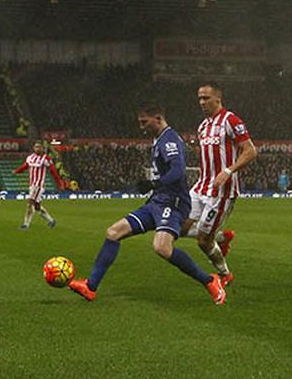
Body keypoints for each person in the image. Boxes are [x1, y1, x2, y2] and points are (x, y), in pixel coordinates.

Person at [68, 103, 225, 304]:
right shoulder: (158, 138)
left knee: (162, 248)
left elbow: (178, 171)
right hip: (157, 201)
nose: (141, 126)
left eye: (145, 122)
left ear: (158, 118)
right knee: (113, 233)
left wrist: (153, 183)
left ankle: (210, 280)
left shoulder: (169, 139)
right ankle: (90, 287)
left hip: (173, 202)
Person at [180, 82, 257, 285]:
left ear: (218, 99)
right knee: (178, 227)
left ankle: (224, 274)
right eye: (199, 98)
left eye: (206, 98)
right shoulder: (203, 126)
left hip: (222, 191)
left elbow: (250, 151)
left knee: (203, 241)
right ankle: (221, 237)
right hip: (200, 186)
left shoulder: (230, 120)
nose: (202, 102)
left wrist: (228, 171)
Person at [14, 142, 65, 229]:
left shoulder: (46, 159)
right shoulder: (30, 157)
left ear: (42, 148)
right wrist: (16, 171)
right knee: (37, 207)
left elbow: (53, 172)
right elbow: (25, 166)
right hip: (32, 185)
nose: (37, 148)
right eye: (36, 147)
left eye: (39, 147)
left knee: (29, 203)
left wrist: (60, 183)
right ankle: (51, 221)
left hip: (38, 186)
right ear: (34, 148)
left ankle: (26, 224)